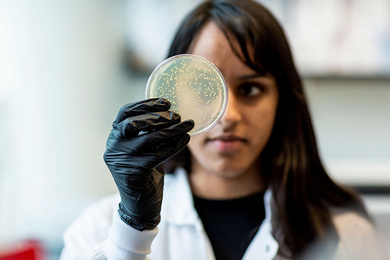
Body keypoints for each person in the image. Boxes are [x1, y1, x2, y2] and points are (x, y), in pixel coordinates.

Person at [60, 0, 386, 259]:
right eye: (204, 90)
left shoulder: (346, 236)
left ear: (283, 100)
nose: (227, 116)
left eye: (251, 89)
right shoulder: (99, 229)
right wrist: (132, 231)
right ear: (169, 94)